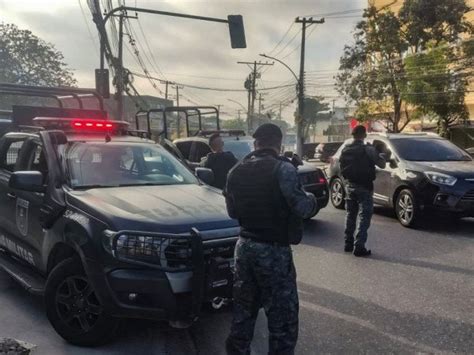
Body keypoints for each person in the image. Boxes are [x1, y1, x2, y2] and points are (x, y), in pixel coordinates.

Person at [224, 123, 318, 355]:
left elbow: (233, 212)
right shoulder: (283, 170)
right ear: (278, 143)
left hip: (244, 248)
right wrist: (311, 196)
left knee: (243, 313)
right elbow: (303, 208)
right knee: (283, 321)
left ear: (255, 144)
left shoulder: (235, 171)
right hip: (273, 252)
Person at [339, 125, 387, 257]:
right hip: (364, 187)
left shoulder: (345, 149)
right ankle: (359, 246)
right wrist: (381, 154)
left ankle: (348, 244)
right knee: (364, 216)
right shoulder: (368, 149)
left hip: (350, 185)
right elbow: (382, 164)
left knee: (350, 215)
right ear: (364, 135)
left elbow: (341, 166)